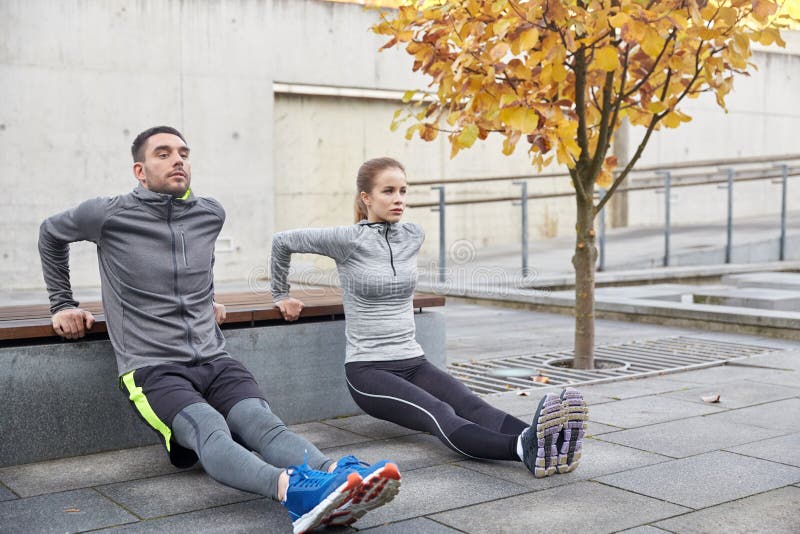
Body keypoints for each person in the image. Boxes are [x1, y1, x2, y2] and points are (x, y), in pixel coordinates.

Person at [37, 127, 400, 533]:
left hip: (214, 356)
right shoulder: (106, 213)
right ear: (139, 170)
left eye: (184, 153)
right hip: (152, 367)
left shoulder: (209, 213)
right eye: (163, 153)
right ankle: (293, 491)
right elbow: (50, 234)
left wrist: (204, 298)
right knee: (209, 428)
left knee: (262, 423)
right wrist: (62, 303)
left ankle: (336, 476)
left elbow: (198, 264)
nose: (178, 160)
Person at [270, 157, 588, 478]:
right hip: (369, 370)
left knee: (473, 405)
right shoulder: (346, 240)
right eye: (389, 191)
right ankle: (523, 449)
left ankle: (550, 442)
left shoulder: (412, 235)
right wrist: (281, 294)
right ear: (366, 197)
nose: (399, 200)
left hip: (413, 361)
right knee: (439, 413)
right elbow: (281, 242)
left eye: (404, 191)